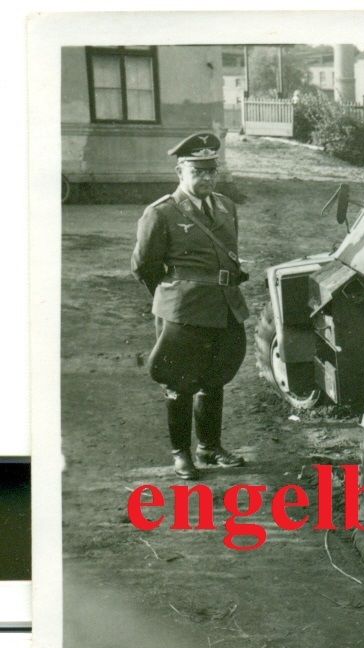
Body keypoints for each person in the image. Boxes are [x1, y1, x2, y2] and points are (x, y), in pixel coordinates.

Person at [131, 132, 250, 479]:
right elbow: (143, 266)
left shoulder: (227, 207)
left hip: (225, 305)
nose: (206, 179)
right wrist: (172, 297)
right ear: (180, 172)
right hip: (183, 310)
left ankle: (209, 448)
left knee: (215, 378)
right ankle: (181, 454)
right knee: (179, 381)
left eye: (211, 171)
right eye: (197, 172)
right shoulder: (162, 212)